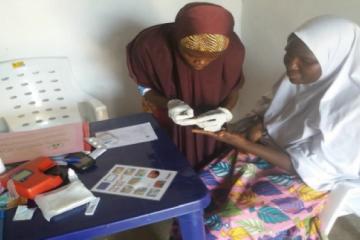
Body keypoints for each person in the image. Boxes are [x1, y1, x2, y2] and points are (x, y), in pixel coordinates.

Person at [193, 15, 360, 239]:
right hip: (262, 155)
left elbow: (307, 169)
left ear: (336, 60)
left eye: (305, 60)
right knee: (193, 198)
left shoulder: (353, 110)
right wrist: (259, 124)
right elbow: (277, 111)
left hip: (303, 180)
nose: (291, 65)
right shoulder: (295, 80)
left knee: (221, 227)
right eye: (288, 54)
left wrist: (241, 142)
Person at [127, 2, 245, 169]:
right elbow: (143, 87)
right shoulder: (149, 46)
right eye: (192, 55)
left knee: (208, 170)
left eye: (212, 58)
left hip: (210, 127)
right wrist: (168, 104)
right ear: (177, 40)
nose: (201, 63)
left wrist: (225, 112)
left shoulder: (234, 50)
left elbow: (234, 89)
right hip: (165, 120)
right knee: (165, 167)